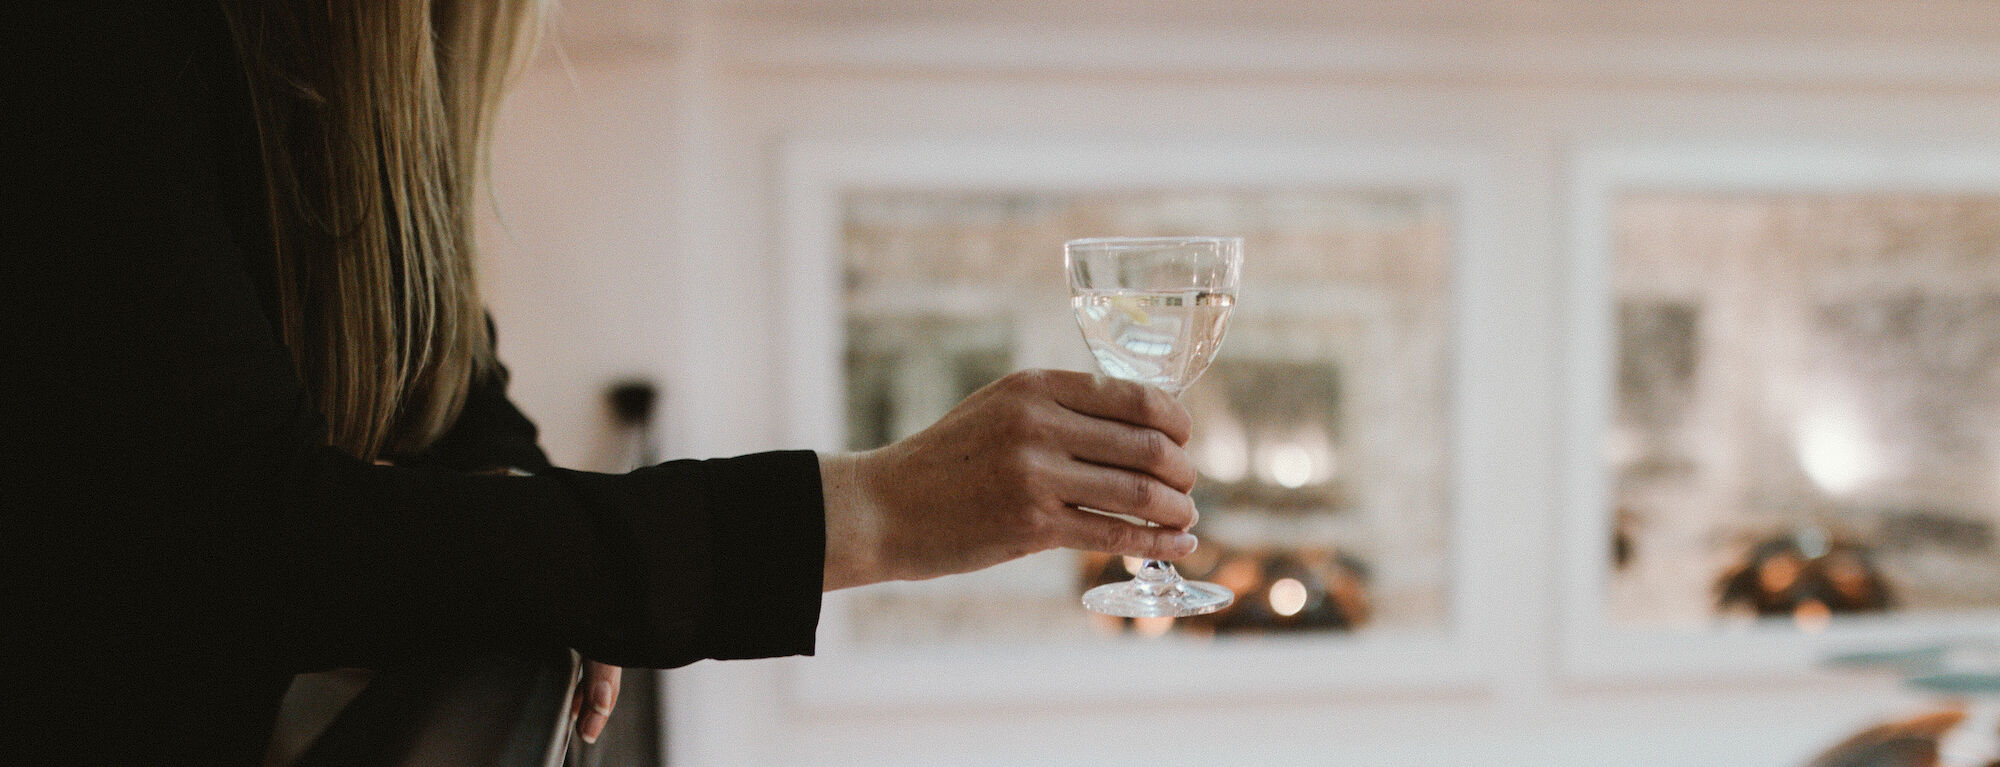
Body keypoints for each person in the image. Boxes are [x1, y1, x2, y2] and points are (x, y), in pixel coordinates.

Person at [3, 2, 1201, 764]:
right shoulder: (95, 43)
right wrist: (869, 511)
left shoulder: (378, 114)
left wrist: (567, 563)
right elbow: (236, 538)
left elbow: (466, 404)